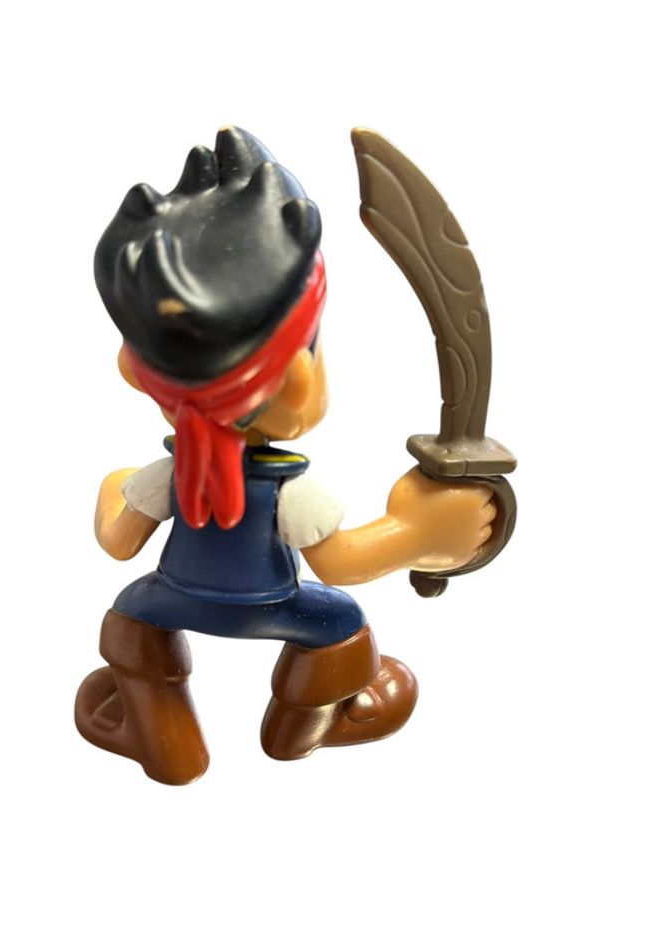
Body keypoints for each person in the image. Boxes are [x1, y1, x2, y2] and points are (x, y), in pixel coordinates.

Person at [75, 126, 496, 784]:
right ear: (298, 380)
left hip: (166, 603)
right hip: (278, 609)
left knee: (128, 621)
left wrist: (114, 492)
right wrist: (422, 534)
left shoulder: (164, 478)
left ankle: (159, 733)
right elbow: (343, 562)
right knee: (341, 622)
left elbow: (119, 542)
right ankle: (306, 727)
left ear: (135, 371)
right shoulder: (291, 493)